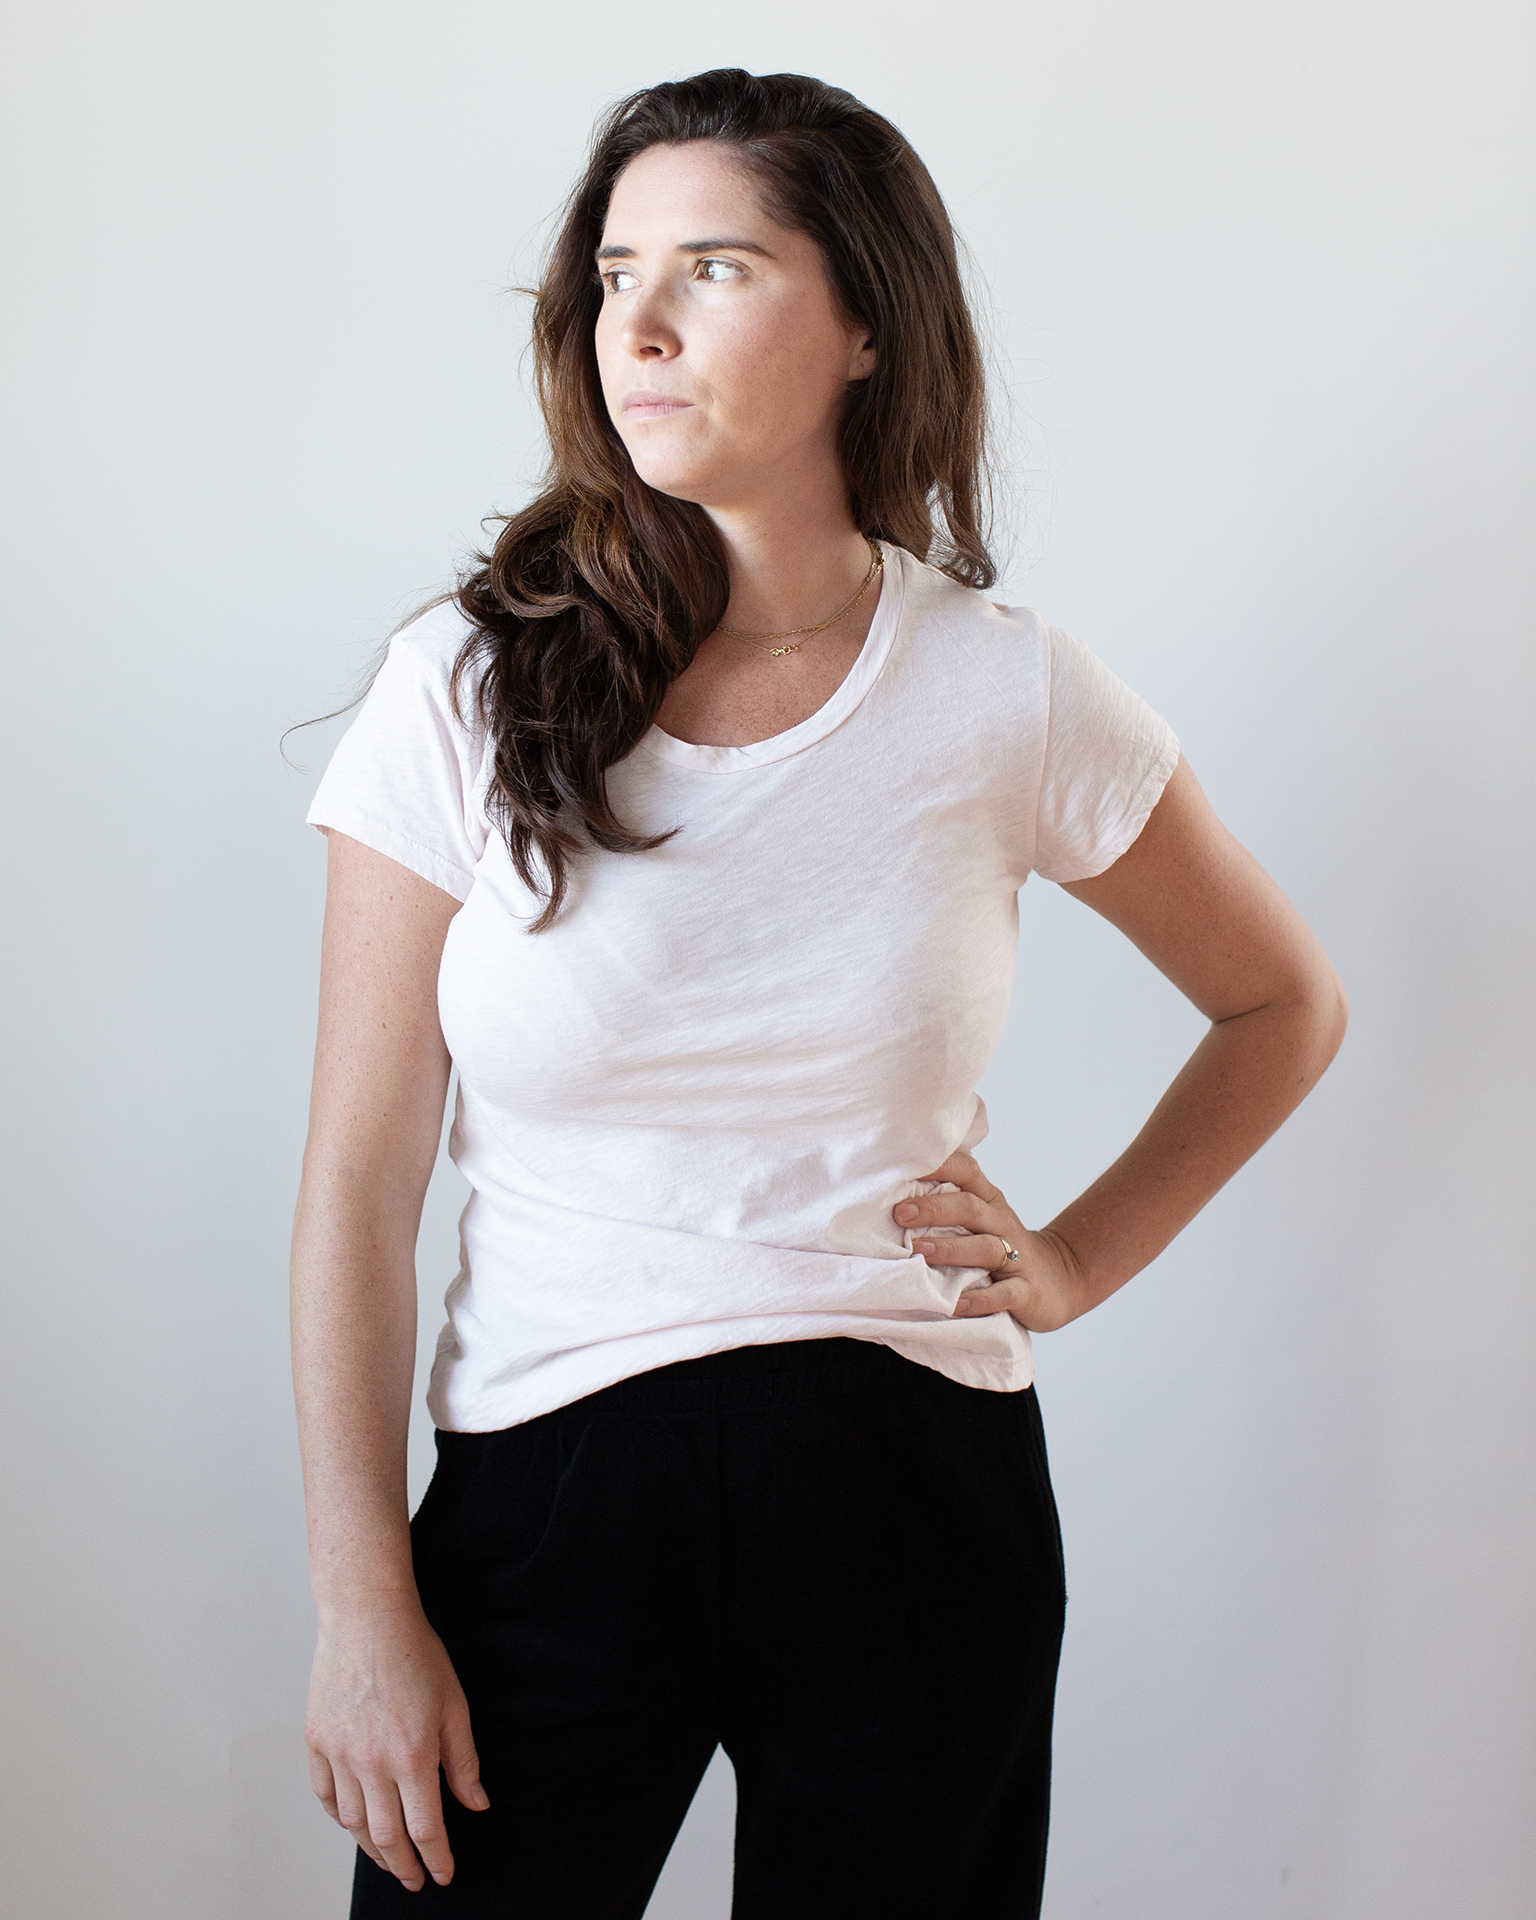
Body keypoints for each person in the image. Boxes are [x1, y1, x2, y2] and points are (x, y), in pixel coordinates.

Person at [290, 67, 1346, 1919]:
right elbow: (361, 1191)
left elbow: (1283, 1005)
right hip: (546, 1492)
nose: (642, 321)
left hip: (908, 1485)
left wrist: (1080, 1259)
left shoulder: (1007, 693)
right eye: (616, 271)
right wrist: (363, 1605)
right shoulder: (462, 684)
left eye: (717, 265)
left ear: (865, 321)